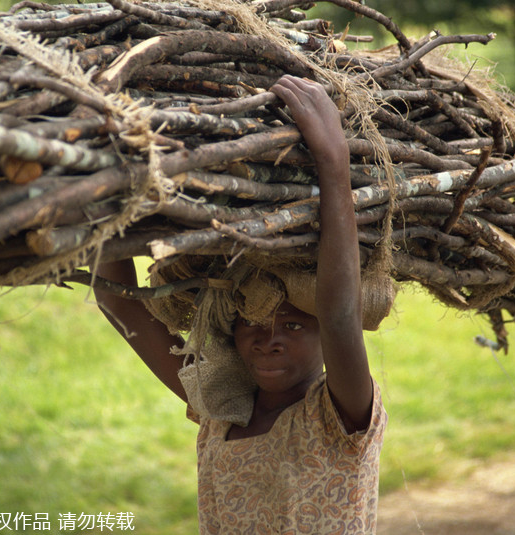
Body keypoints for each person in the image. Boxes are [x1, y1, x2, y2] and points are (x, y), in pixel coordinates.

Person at [94, 75, 386, 534]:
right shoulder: (220, 409)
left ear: (322, 338)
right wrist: (115, 188)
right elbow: (120, 304)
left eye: (292, 327)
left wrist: (333, 160)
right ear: (230, 332)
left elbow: (339, 311)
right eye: (251, 323)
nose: (268, 341)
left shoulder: (337, 416)